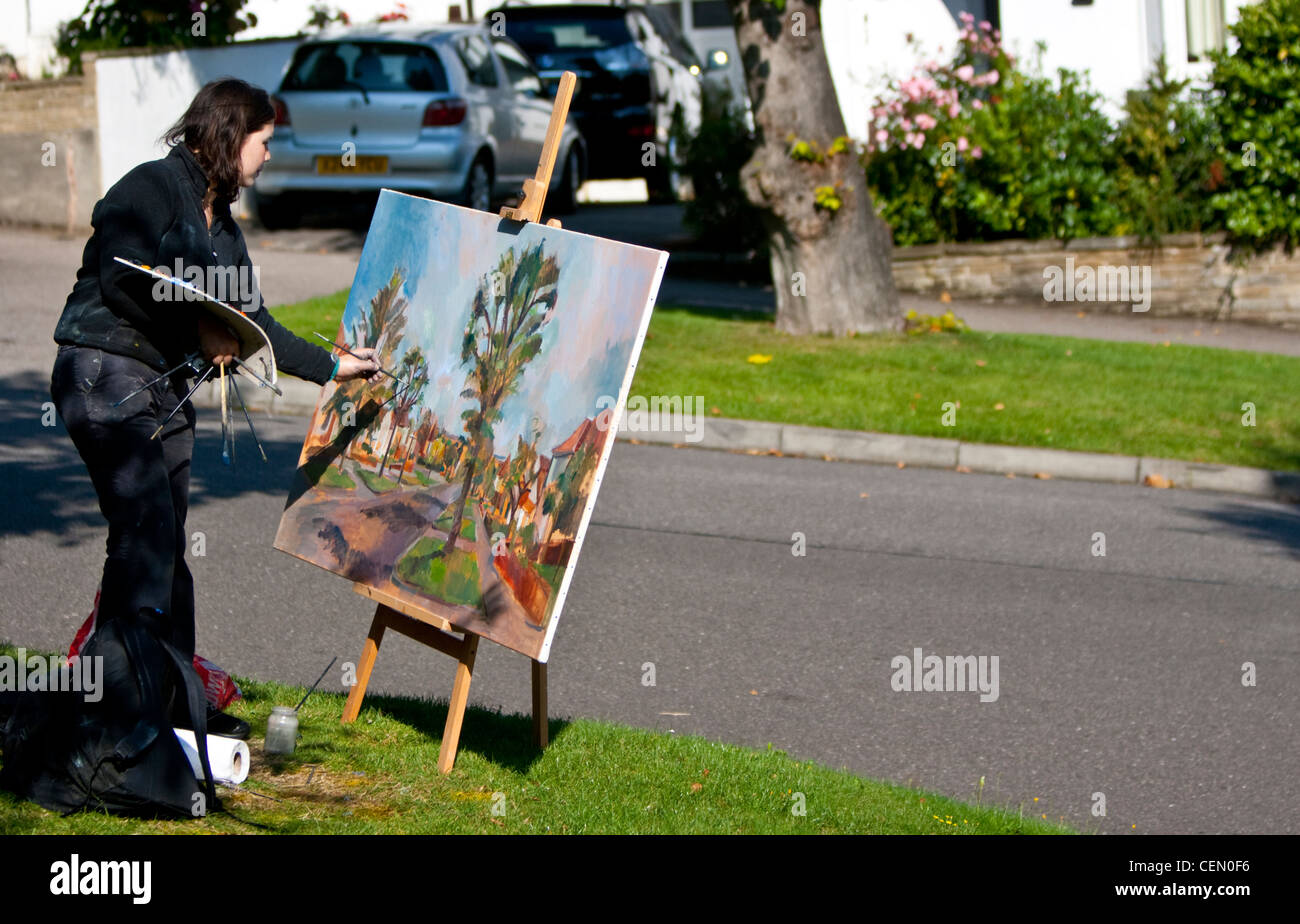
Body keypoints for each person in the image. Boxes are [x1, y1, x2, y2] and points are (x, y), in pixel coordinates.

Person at [49, 78, 381, 739]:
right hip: (103, 371)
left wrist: (338, 367)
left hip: (166, 392)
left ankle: (170, 710)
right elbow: (121, 276)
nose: (266, 158)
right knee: (144, 536)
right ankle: (119, 717)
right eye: (263, 142)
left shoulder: (223, 229)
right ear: (232, 136)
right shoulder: (150, 187)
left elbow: (257, 323)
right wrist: (198, 328)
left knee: (165, 549)